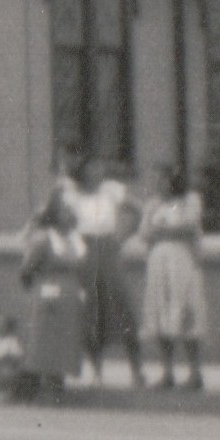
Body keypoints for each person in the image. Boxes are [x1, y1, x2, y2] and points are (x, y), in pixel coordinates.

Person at [66, 158, 145, 387]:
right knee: (91, 309)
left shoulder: (111, 191)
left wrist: (124, 235)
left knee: (121, 304)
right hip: (86, 251)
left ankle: (136, 369)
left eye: (98, 167)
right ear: (82, 171)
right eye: (91, 167)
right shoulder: (72, 196)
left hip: (109, 249)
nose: (97, 171)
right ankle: (97, 370)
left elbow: (138, 209)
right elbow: (64, 222)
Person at [135, 164, 207, 392]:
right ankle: (167, 371)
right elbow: (145, 233)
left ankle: (195, 373)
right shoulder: (153, 205)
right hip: (159, 263)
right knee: (161, 313)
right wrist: (163, 231)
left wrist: (163, 231)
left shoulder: (190, 201)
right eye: (157, 180)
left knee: (185, 312)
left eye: (164, 179)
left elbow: (190, 228)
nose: (159, 184)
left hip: (182, 262)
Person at [18, 194, 87, 397]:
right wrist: (39, 288)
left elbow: (83, 268)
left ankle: (59, 381)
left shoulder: (76, 239)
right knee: (45, 337)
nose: (69, 215)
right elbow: (27, 268)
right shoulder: (44, 239)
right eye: (64, 210)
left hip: (71, 294)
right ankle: (45, 383)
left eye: (70, 211)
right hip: (48, 291)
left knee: (66, 339)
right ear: (54, 214)